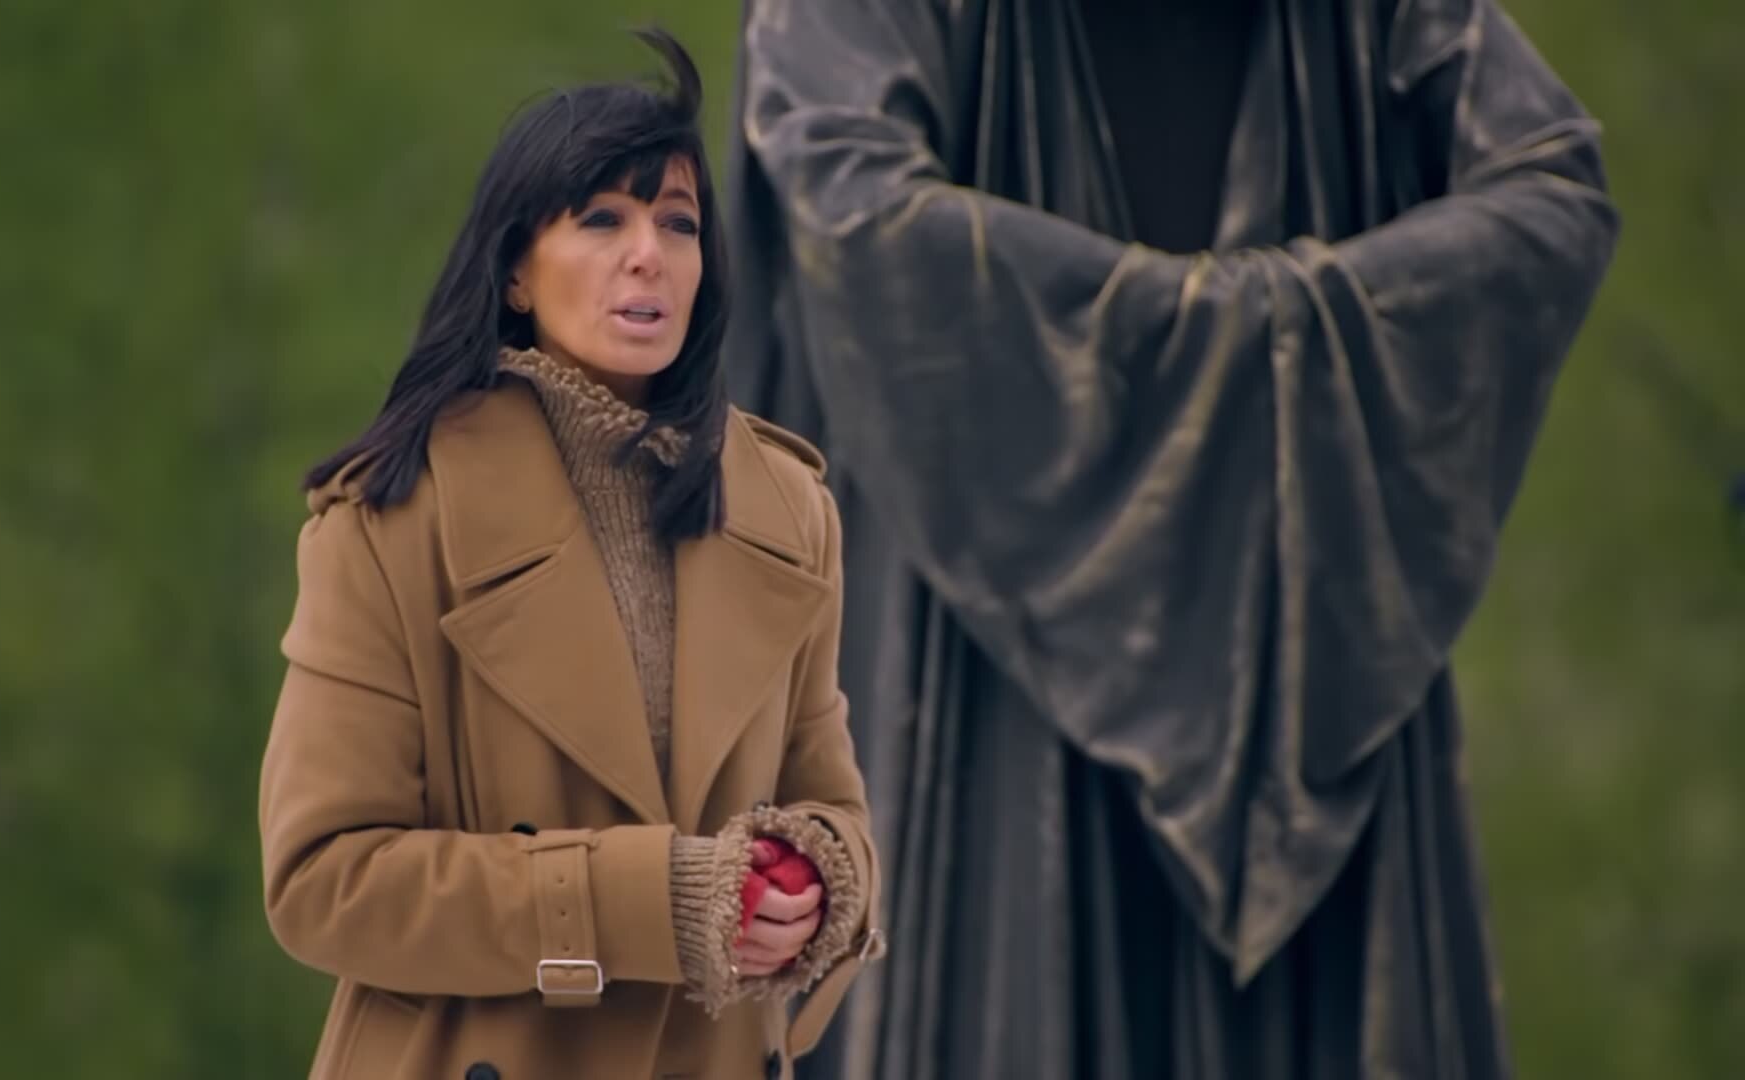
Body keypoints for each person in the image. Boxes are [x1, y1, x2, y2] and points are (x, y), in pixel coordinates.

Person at [724, 0, 1617, 1077]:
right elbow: (850, 208)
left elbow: (1549, 185)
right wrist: (1268, 345)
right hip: (993, 661)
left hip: (1296, 666)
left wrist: (1244, 335)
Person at [259, 30, 881, 1079]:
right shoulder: (392, 518)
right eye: (602, 218)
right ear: (515, 271)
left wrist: (819, 881)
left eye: (677, 222)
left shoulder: (789, 511)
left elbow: (832, 800)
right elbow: (323, 881)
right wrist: (652, 901)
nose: (649, 252)